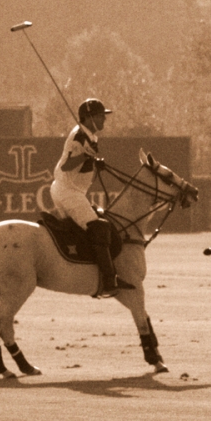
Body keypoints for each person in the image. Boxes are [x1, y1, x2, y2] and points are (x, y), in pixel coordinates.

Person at [50, 97, 135, 298]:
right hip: (68, 192)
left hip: (71, 191)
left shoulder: (89, 136)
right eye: (99, 116)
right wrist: (86, 155)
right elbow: (67, 166)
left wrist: (94, 161)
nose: (104, 120)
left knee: (96, 221)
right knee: (99, 228)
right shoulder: (79, 136)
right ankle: (109, 280)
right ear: (88, 118)